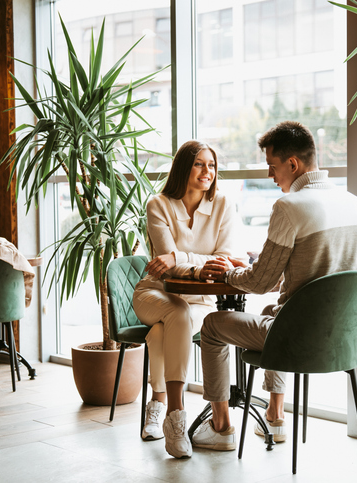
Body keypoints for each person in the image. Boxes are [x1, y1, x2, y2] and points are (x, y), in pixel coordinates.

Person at [191, 121, 357, 451]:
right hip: (345, 337)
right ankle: (275, 416)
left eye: (272, 167)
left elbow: (259, 282)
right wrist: (268, 261)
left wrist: (229, 273)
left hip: (299, 337)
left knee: (212, 325)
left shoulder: (289, 207)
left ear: (293, 164)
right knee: (274, 310)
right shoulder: (354, 203)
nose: (271, 177)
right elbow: (319, 272)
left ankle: (222, 426)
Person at [132, 140, 240, 459]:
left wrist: (179, 255)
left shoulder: (223, 204)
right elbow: (165, 270)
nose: (207, 171)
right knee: (176, 312)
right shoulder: (158, 204)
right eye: (199, 164)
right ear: (184, 168)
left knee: (164, 330)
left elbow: (222, 258)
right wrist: (194, 263)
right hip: (154, 293)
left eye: (212, 165)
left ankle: (160, 403)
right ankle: (176, 415)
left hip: (200, 301)